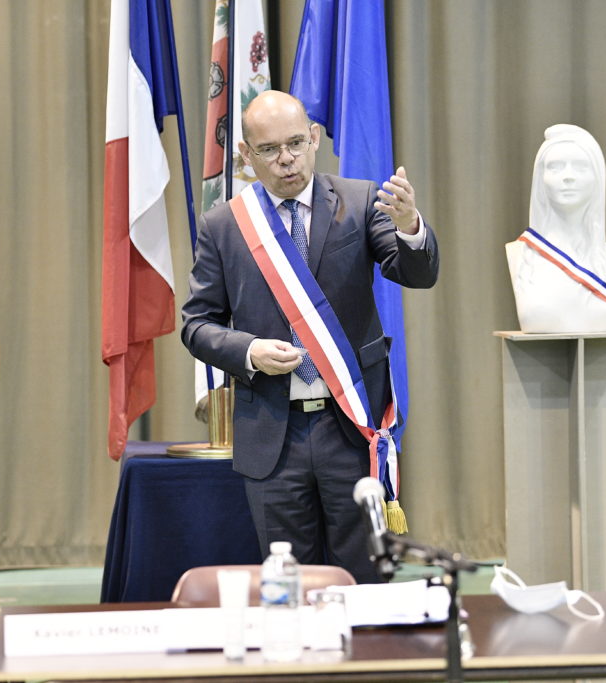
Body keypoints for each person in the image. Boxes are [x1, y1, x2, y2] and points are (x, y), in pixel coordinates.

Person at [181, 91, 439, 582]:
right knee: (289, 585)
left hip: (351, 428)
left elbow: (415, 273)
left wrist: (410, 228)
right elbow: (197, 324)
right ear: (245, 154)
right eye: (269, 150)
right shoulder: (225, 226)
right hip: (273, 436)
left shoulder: (360, 201)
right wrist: (249, 351)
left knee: (365, 579)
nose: (286, 161)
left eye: (297, 144)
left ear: (315, 138)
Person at [506, 124, 606, 332]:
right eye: (555, 167)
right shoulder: (520, 254)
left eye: (581, 167)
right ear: (541, 178)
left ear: (597, 178)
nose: (568, 176)